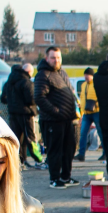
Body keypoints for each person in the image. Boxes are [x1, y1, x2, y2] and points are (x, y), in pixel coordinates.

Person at [35, 46, 80, 188]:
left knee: (69, 149)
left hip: (68, 119)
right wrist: (56, 111)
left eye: (58, 57)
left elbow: (70, 92)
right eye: (53, 58)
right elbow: (39, 98)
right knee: (55, 150)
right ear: (47, 58)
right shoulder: (43, 75)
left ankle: (66, 176)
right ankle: (54, 178)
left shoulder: (62, 72)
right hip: (53, 120)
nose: (56, 60)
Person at [2, 63, 44, 169]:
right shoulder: (26, 82)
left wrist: (13, 103)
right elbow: (31, 99)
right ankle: (38, 160)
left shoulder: (8, 83)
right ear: (28, 72)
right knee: (30, 137)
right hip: (26, 114)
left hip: (12, 113)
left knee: (16, 139)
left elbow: (3, 99)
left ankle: (20, 161)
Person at [75, 66, 100, 162]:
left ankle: (105, 153)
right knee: (83, 133)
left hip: (96, 111)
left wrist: (95, 103)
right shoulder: (83, 85)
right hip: (86, 113)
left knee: (100, 132)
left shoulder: (96, 84)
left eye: (88, 75)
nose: (86, 77)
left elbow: (99, 96)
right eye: (85, 75)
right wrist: (81, 109)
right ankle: (81, 154)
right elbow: (82, 97)